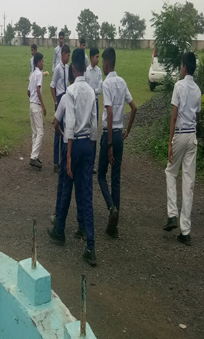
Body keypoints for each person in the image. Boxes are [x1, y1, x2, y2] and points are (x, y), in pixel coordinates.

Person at [47, 49, 98, 266]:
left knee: (67, 187)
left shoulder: (71, 91)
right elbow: (94, 126)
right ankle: (90, 245)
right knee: (86, 195)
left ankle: (60, 231)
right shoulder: (92, 92)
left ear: (73, 69)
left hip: (73, 144)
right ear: (85, 68)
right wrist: (92, 152)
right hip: (87, 144)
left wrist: (67, 155)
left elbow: (68, 125)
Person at [97, 47, 137, 239]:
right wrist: (127, 129)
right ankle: (114, 227)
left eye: (103, 63)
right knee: (116, 179)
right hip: (121, 134)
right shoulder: (122, 82)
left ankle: (111, 207)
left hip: (109, 135)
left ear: (106, 63)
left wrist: (110, 145)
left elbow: (110, 111)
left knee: (100, 175)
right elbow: (134, 107)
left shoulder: (107, 83)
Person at [163, 52, 201, 246]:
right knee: (188, 182)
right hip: (192, 136)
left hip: (180, 134)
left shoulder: (178, 86)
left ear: (184, 67)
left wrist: (170, 142)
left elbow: (174, 116)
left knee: (170, 172)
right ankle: (185, 231)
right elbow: (198, 116)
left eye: (181, 65)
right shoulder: (198, 89)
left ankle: (172, 214)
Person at [51, 64, 84, 238]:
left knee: (64, 186)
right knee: (81, 187)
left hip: (68, 144)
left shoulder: (66, 96)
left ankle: (59, 221)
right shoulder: (87, 94)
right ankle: (82, 224)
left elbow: (56, 123)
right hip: (83, 143)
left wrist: (63, 134)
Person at [50, 44, 70, 173]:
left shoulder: (67, 68)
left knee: (65, 128)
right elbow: (52, 86)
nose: (68, 58)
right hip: (59, 97)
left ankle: (63, 159)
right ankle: (55, 162)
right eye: (67, 55)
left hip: (65, 97)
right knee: (58, 131)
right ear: (63, 55)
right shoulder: (58, 68)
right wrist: (56, 101)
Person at [84, 46, 103, 172]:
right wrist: (93, 91)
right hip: (87, 104)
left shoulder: (99, 71)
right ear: (91, 57)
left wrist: (93, 91)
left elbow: (100, 88)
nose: (98, 59)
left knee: (94, 132)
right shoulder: (86, 71)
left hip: (95, 103)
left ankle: (91, 164)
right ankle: (85, 161)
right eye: (96, 57)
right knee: (86, 130)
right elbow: (85, 88)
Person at [28, 52, 47, 169]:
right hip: (36, 105)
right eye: (42, 61)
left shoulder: (32, 74)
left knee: (35, 132)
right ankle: (33, 156)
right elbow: (38, 89)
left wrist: (32, 98)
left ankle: (34, 154)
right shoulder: (39, 74)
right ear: (39, 62)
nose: (43, 63)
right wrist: (43, 105)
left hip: (31, 104)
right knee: (40, 132)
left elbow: (28, 92)